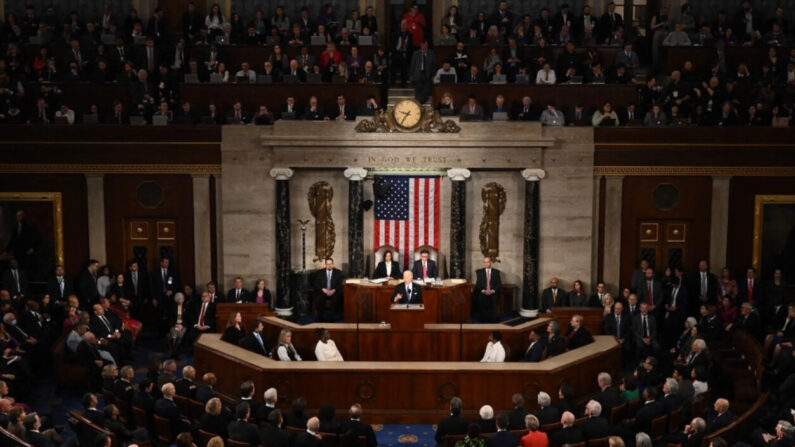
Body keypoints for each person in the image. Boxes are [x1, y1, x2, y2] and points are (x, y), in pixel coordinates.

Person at [314, 257, 344, 322]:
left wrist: (334, 290)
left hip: (334, 292)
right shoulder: (320, 272)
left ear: (333, 264)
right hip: (323, 292)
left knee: (336, 300)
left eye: (331, 264)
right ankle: (320, 318)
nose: (329, 265)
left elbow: (340, 284)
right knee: (318, 299)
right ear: (325, 265)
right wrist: (323, 289)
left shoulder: (338, 272)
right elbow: (316, 283)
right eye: (328, 264)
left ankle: (332, 318)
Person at [474, 256, 501, 323]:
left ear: (491, 262)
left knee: (494, 310)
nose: (486, 264)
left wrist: (492, 291)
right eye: (485, 262)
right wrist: (484, 290)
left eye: (488, 262)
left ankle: (493, 323)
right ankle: (483, 322)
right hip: (483, 293)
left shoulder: (496, 272)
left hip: (493, 294)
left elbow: (499, 284)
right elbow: (478, 284)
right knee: (482, 308)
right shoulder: (480, 272)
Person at [409, 39, 436, 104]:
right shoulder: (416, 53)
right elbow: (413, 64)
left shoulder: (431, 53)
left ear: (427, 45)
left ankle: (421, 102)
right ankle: (418, 103)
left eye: (425, 45)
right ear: (420, 45)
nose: (424, 46)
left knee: (426, 91)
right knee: (418, 90)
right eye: (423, 45)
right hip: (418, 74)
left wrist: (433, 74)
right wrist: (411, 75)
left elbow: (434, 65)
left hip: (427, 74)